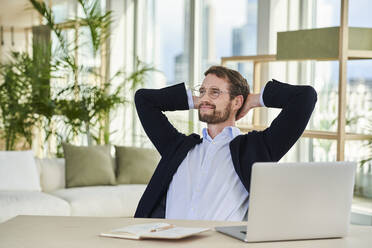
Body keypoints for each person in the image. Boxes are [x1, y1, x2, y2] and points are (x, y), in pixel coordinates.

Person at [134, 65, 317, 221]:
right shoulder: (177, 147)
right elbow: (143, 99)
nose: (205, 97)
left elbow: (305, 97)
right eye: (202, 91)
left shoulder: (256, 149)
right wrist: (200, 102)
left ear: (237, 101)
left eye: (215, 92)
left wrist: (252, 100)